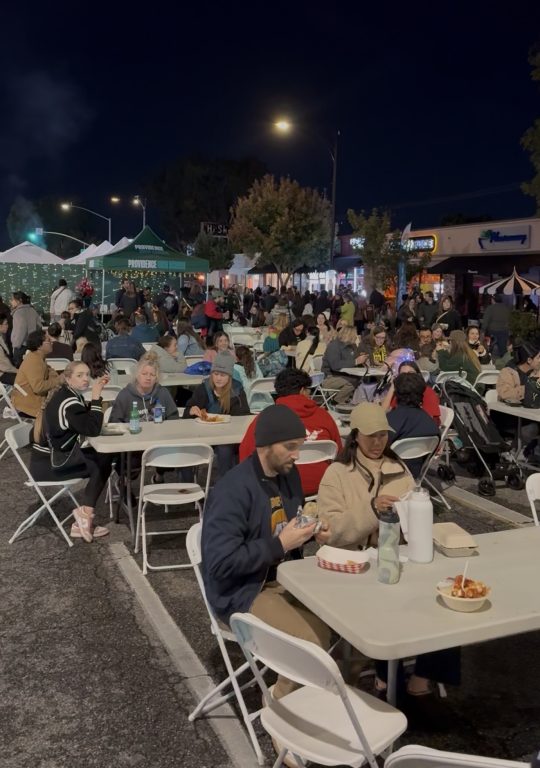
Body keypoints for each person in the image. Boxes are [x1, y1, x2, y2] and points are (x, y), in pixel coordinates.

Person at [316, 402, 459, 699]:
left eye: (383, 435)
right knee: (385, 606)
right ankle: (386, 677)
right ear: (355, 436)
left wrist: (413, 514)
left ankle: (421, 677)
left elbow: (415, 521)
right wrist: (372, 509)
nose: (378, 442)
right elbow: (331, 532)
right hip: (356, 565)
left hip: (397, 558)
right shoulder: (337, 473)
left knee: (446, 602)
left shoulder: (398, 468)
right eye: (371, 436)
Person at [202, 404, 332, 705]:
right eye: (290, 447)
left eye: (299, 447)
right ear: (265, 446)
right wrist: (280, 545)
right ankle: (279, 704)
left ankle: (325, 696)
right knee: (312, 641)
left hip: (284, 578)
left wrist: (311, 529)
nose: (297, 455)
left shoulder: (289, 475)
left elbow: (287, 525)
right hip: (242, 591)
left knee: (346, 622)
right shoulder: (232, 490)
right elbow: (220, 564)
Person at [30, 362, 113, 542]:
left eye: (87, 375)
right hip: (51, 465)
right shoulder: (69, 402)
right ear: (68, 378)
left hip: (46, 458)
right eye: (79, 375)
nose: (85, 379)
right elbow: (92, 429)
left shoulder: (67, 394)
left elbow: (85, 423)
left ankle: (82, 520)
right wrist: (96, 397)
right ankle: (85, 515)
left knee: (104, 457)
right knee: (102, 462)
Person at [239, 369, 342, 497]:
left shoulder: (265, 418)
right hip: (323, 485)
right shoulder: (324, 416)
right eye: (309, 390)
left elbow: (246, 454)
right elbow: (340, 454)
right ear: (302, 391)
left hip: (281, 488)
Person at [183, 353, 250, 476]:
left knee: (225, 450)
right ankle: (186, 484)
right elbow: (186, 415)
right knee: (187, 448)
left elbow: (243, 417)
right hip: (203, 435)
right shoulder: (204, 388)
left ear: (229, 376)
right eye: (216, 374)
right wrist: (191, 411)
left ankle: (224, 483)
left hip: (228, 436)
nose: (218, 378)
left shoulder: (237, 391)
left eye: (223, 375)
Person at [386, 373, 440, 477]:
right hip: (414, 474)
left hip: (388, 474)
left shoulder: (389, 422)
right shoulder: (431, 426)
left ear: (396, 394)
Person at [110, 353, 178, 425]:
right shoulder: (124, 395)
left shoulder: (163, 393)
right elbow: (114, 422)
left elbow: (174, 417)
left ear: (156, 378)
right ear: (137, 375)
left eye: (152, 375)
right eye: (144, 374)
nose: (148, 378)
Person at [11, 330, 60, 418]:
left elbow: (49, 371)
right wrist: (59, 380)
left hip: (30, 400)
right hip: (27, 405)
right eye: (48, 340)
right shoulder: (34, 361)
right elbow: (39, 387)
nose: (52, 342)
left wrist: (57, 377)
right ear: (39, 346)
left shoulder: (38, 357)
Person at [382, 360, 440, 424]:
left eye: (411, 373)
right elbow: (383, 413)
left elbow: (427, 420)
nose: (407, 377)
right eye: (403, 374)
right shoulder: (400, 392)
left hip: (422, 427)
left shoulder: (428, 392)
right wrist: (392, 387)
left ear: (418, 375)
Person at [321, 324, 368, 404]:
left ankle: (355, 401)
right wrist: (356, 361)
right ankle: (336, 401)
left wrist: (363, 360)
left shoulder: (352, 346)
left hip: (346, 375)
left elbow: (355, 359)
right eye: (354, 335)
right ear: (348, 335)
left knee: (363, 379)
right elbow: (335, 365)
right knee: (354, 380)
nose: (356, 337)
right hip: (331, 377)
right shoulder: (334, 346)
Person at [233, 345, 271, 411]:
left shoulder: (235, 368)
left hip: (247, 404)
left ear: (236, 357)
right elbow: (261, 380)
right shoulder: (255, 365)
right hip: (265, 402)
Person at [10, 291, 41, 366]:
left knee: (20, 369)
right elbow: (39, 326)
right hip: (33, 345)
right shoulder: (33, 310)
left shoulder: (18, 313)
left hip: (21, 346)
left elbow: (20, 331)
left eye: (12, 299)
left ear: (19, 301)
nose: (11, 301)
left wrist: (16, 345)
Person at [481, 294, 511, 358]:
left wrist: (483, 331)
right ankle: (505, 361)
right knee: (503, 350)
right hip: (504, 331)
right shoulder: (506, 308)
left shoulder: (490, 308)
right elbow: (509, 320)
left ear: (493, 300)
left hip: (492, 331)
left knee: (489, 349)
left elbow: (486, 320)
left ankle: (488, 359)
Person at [0, 313, 17, 385]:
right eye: (6, 324)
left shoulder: (2, 338)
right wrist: (18, 371)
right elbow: (4, 365)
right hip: (3, 374)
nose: (8, 326)